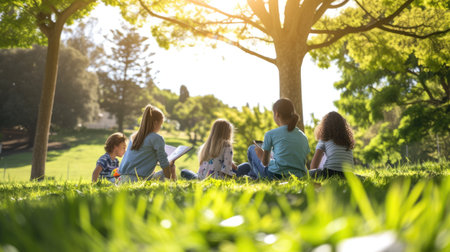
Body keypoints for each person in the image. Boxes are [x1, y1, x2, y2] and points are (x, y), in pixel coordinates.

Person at [236, 98, 310, 180]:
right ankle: (253, 176)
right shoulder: (303, 136)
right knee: (249, 166)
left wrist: (261, 154)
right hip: (299, 176)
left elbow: (265, 163)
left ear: (277, 114)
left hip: (275, 175)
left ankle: (256, 177)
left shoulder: (270, 134)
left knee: (252, 148)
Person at [119, 105, 176, 183]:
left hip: (122, 180)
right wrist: (169, 173)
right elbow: (164, 163)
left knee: (159, 171)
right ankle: (173, 187)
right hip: (138, 180)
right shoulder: (156, 138)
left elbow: (141, 158)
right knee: (169, 167)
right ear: (156, 123)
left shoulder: (134, 136)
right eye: (161, 124)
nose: (160, 127)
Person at [309, 111, 355, 179]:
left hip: (330, 173)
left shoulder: (324, 140)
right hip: (349, 175)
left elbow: (314, 165)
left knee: (307, 173)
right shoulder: (346, 141)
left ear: (324, 126)